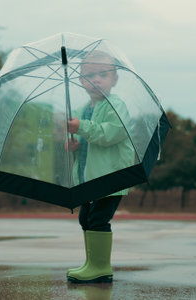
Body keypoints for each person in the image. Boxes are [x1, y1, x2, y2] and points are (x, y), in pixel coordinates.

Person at [65, 51, 134, 284]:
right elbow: (85, 139)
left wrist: (81, 127)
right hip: (87, 177)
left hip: (110, 176)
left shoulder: (116, 106)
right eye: (90, 75)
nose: (96, 80)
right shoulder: (82, 110)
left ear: (114, 79)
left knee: (98, 220)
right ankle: (91, 263)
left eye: (103, 75)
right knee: (86, 220)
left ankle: (101, 267)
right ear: (81, 80)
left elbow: (109, 134)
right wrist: (74, 144)